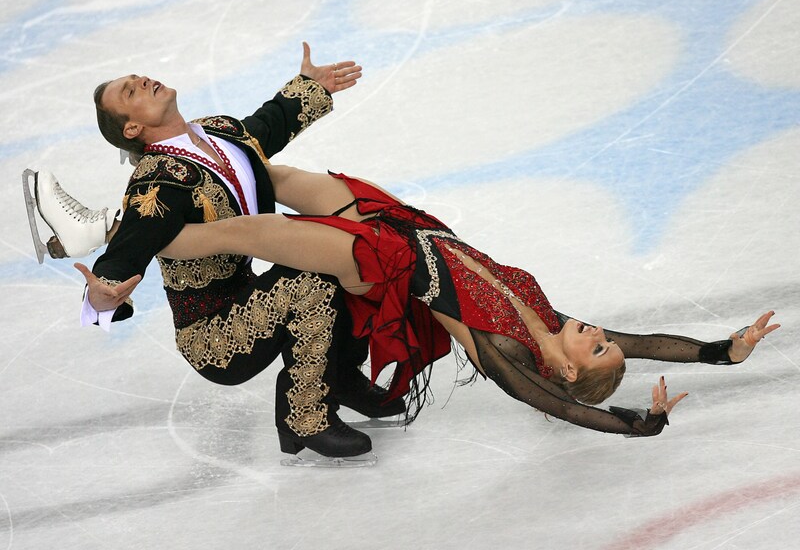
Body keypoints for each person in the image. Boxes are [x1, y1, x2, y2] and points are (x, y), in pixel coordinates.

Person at [83, 165, 779, 438]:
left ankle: (105, 241)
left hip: (383, 262)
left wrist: (640, 425)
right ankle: (185, 166)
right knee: (268, 175)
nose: (599, 330)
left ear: (567, 367)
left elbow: (558, 407)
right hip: (411, 225)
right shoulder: (558, 325)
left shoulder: (507, 352)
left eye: (596, 347)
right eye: (604, 336)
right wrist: (724, 352)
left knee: (255, 231)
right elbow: (651, 341)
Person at [53, 43, 408, 464]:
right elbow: (125, 253)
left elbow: (266, 127)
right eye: (131, 93)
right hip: (214, 335)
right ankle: (303, 416)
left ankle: (340, 379)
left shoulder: (217, 131)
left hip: (250, 294)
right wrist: (100, 297)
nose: (143, 81)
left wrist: (309, 87)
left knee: (344, 259)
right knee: (311, 279)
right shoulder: (158, 183)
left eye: (138, 78)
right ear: (132, 130)